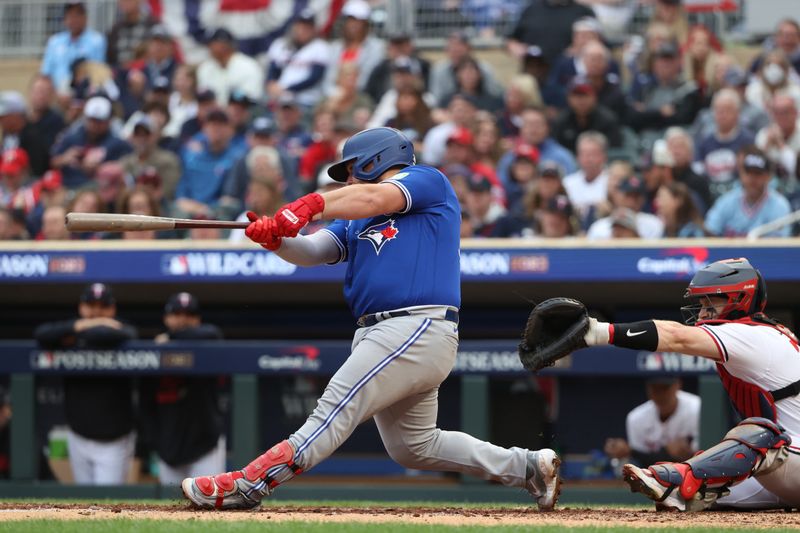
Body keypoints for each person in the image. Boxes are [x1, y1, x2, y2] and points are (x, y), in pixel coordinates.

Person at [181, 127, 561, 510]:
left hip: (414, 325)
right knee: (414, 447)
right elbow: (314, 250)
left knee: (333, 409)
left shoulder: (426, 180)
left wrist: (312, 203)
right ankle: (528, 467)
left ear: (375, 158)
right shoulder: (356, 218)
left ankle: (251, 483)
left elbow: (373, 195)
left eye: (350, 169)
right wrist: (276, 241)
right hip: (385, 332)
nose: (347, 179)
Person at [576, 257, 800, 511]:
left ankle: (679, 476)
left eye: (710, 302)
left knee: (760, 434)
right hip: (785, 467)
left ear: (739, 299)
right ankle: (682, 484)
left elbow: (675, 336)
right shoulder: (755, 332)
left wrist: (597, 332)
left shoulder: (752, 335)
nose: (703, 312)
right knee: (704, 491)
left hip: (786, 456)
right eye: (701, 304)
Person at [33, 283, 138, 485]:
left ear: (112, 309)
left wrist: (85, 328)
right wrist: (82, 326)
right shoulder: (71, 330)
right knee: (84, 502)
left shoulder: (120, 331)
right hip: (78, 435)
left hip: (113, 440)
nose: (97, 311)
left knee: (108, 503)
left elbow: (126, 334)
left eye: (103, 306)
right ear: (81, 307)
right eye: (91, 305)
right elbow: (41, 334)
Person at [140, 292, 225, 486]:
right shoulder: (154, 351)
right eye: (177, 314)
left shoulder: (206, 342)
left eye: (189, 315)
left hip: (205, 445)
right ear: (166, 318)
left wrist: (171, 337)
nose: (183, 320)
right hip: (168, 447)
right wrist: (156, 443)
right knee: (171, 508)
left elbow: (212, 333)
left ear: (198, 319)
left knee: (208, 505)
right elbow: (145, 406)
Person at [605, 378, 700, 468]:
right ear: (648, 389)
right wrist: (627, 452)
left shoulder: (697, 408)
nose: (661, 395)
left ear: (677, 385)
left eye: (665, 388)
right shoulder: (636, 417)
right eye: (655, 389)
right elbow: (639, 463)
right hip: (653, 478)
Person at [704, 147, 792, 238]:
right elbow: (710, 231)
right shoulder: (726, 201)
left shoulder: (779, 205)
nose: (752, 179)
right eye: (748, 173)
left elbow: (779, 245)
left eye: (758, 173)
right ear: (742, 175)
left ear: (768, 177)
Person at [50, 95, 132, 189]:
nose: (95, 125)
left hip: (100, 191)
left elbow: (131, 162)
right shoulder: (72, 137)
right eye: (92, 120)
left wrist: (102, 168)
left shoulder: (117, 142)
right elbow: (52, 162)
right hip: (69, 186)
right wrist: (65, 158)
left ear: (108, 121)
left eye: (99, 121)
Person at [265, 9, 331, 110]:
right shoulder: (281, 44)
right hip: (279, 98)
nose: (303, 30)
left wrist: (287, 89)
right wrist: (271, 83)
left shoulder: (320, 47)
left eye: (307, 27)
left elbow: (315, 77)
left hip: (305, 101)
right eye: (300, 26)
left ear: (314, 29)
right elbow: (273, 69)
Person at [40, 1, 107, 96]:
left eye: (78, 14)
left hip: (85, 94)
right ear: (64, 19)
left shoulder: (97, 40)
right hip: (55, 95)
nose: (74, 19)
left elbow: (98, 74)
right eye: (70, 15)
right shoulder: (54, 42)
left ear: (85, 17)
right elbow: (45, 74)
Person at [196, 28, 264, 105]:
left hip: (244, 113)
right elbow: (203, 97)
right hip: (213, 115)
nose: (209, 48)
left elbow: (251, 100)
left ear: (224, 45)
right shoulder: (205, 68)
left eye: (212, 44)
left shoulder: (248, 66)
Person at [106, 0, 156, 70]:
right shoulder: (115, 29)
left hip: (144, 73)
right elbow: (110, 58)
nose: (125, 3)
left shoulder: (152, 25)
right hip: (119, 74)